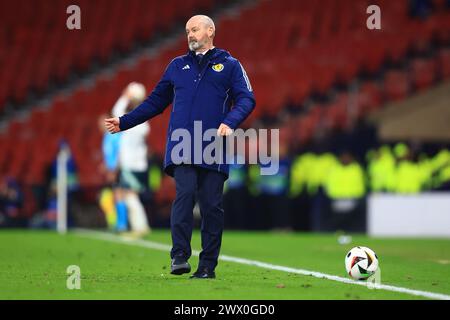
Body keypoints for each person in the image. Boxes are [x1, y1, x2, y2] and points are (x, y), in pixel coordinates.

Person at [105, 15, 255, 278]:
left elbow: (246, 98)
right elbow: (155, 102)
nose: (190, 34)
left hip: (213, 145)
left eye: (195, 29)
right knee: (184, 196)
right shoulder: (177, 66)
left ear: (210, 31)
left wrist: (230, 122)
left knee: (211, 206)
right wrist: (125, 122)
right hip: (182, 145)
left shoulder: (230, 65)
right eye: (187, 31)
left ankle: (207, 266)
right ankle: (179, 256)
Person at [112, 82, 152, 238]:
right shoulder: (143, 123)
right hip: (139, 164)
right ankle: (140, 226)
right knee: (129, 194)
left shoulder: (130, 121)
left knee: (129, 196)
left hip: (131, 165)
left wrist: (124, 96)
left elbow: (116, 111)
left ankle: (140, 226)